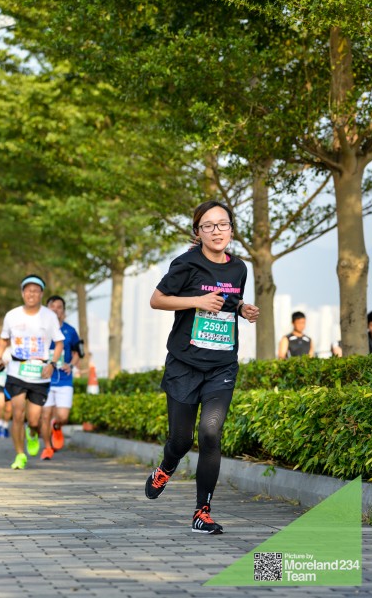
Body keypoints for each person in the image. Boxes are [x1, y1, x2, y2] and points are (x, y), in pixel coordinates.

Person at [144, 200, 259, 534]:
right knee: (180, 441)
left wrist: (242, 309)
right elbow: (157, 299)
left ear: (231, 229)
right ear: (198, 231)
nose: (217, 231)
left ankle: (202, 512)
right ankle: (166, 467)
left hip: (221, 366)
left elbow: (229, 300)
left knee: (210, 433)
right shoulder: (186, 264)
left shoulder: (239, 268)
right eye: (208, 226)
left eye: (223, 224)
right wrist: (196, 300)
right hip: (184, 364)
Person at [0, 274, 64, 470]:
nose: (31, 294)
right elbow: (3, 339)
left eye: (35, 290)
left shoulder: (49, 316)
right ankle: (20, 455)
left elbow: (59, 343)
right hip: (16, 371)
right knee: (17, 414)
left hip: (39, 374)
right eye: (28, 290)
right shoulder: (12, 315)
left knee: (34, 420)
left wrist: (52, 363)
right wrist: (0, 357)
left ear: (41, 294)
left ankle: (32, 433)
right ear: (22, 293)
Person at [40, 295, 81, 460]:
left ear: (63, 311)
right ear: (46, 309)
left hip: (64, 379)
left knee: (62, 417)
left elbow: (78, 353)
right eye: (52, 306)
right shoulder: (40, 329)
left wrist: (70, 365)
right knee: (45, 415)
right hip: (44, 379)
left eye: (59, 307)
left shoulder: (70, 331)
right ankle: (47, 448)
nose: (55, 310)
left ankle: (56, 426)